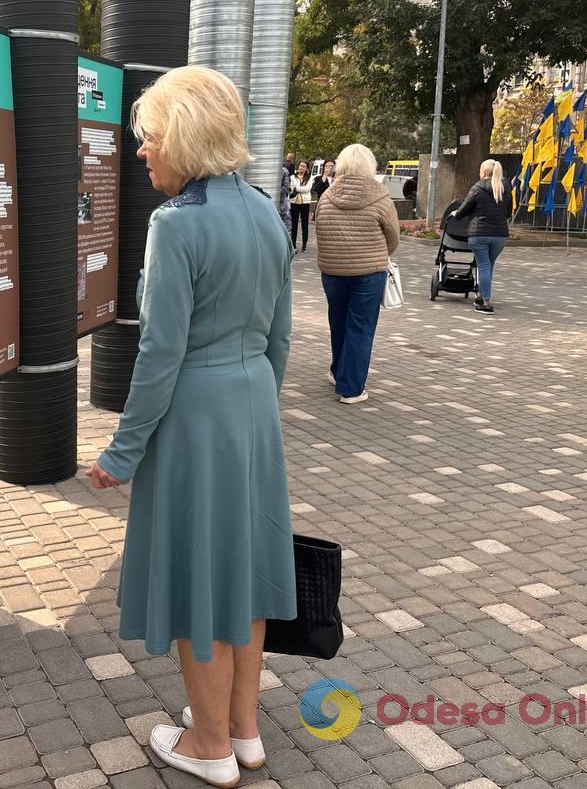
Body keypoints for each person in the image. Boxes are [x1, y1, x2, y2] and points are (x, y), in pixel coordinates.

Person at [86, 65, 296, 788]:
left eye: (148, 139)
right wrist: (256, 407)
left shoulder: (176, 225)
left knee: (199, 581)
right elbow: (281, 339)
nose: (141, 152)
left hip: (194, 417)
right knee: (244, 575)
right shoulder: (268, 212)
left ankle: (206, 746)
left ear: (181, 137)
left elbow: (159, 353)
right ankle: (242, 730)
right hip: (251, 412)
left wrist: (122, 450)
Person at [314, 143, 399, 403]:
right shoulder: (381, 197)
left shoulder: (327, 196)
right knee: (360, 326)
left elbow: (319, 228)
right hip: (368, 272)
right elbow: (393, 236)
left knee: (338, 321)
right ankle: (351, 388)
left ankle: (338, 370)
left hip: (332, 270)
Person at [451, 159, 511, 314]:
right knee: (488, 265)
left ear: (483, 172)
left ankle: (485, 302)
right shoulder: (505, 187)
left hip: (479, 234)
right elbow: (508, 212)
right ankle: (481, 294)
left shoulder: (477, 188)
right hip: (500, 235)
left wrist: (455, 213)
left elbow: (463, 209)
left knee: (483, 265)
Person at [290, 160, 314, 252]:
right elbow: (292, 188)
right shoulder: (292, 177)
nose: (301, 167)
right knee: (294, 225)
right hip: (294, 202)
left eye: (304, 166)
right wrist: (297, 188)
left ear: (306, 168)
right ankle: (293, 245)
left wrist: (297, 188)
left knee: (305, 224)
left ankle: (304, 245)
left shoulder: (310, 177)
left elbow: (307, 189)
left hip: (305, 203)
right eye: (300, 165)